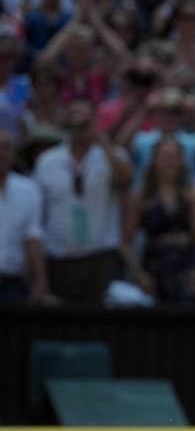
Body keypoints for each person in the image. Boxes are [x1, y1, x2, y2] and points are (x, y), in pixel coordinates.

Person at [32, 96, 133, 302]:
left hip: (101, 257)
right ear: (65, 121)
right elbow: (38, 212)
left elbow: (126, 179)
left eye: (84, 118)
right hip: (59, 258)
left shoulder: (112, 155)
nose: (79, 123)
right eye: (74, 116)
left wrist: (101, 140)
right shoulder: (47, 161)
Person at [120, 137, 195, 303]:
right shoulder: (141, 197)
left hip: (189, 271)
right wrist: (138, 275)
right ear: (154, 161)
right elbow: (125, 242)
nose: (170, 162)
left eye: (175, 157)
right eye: (164, 157)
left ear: (183, 161)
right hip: (154, 269)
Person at [0, 131, 55, 304]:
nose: (1, 153)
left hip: (13, 281)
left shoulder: (29, 189)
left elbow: (33, 238)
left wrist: (40, 282)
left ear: (13, 152)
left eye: (6, 147)